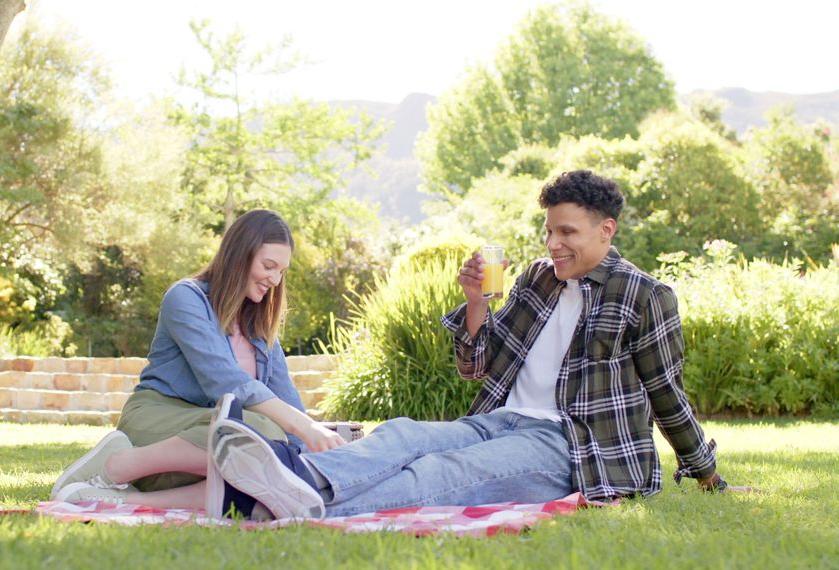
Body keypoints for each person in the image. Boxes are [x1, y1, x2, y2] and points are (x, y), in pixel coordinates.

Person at [208, 170, 732, 520]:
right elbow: (477, 366)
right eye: (549, 230)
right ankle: (290, 475)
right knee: (404, 435)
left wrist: (707, 476)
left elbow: (668, 395)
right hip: (503, 420)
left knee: (441, 474)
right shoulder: (537, 279)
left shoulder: (644, 295)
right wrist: (476, 302)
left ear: (605, 230)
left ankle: (281, 501)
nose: (553, 243)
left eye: (567, 232)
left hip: (572, 447)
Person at [51, 209, 345, 509]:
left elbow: (288, 400)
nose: (275, 279)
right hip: (157, 421)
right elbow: (227, 383)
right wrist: (301, 428)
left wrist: (310, 454)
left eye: (282, 271)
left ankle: (130, 501)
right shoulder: (185, 299)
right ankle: (115, 465)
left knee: (269, 468)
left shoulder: (260, 326)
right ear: (239, 255)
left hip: (215, 440)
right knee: (259, 433)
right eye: (268, 266)